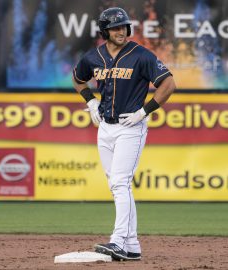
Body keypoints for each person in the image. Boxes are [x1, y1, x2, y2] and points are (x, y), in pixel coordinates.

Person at [72, 7, 176, 261]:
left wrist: (145, 111)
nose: (121, 31)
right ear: (105, 31)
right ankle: (132, 245)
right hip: (105, 127)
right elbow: (78, 78)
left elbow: (169, 83)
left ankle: (118, 241)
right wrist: (90, 101)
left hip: (131, 126)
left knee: (120, 183)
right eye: (115, 27)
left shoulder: (140, 55)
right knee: (117, 185)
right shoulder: (94, 56)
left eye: (124, 26)